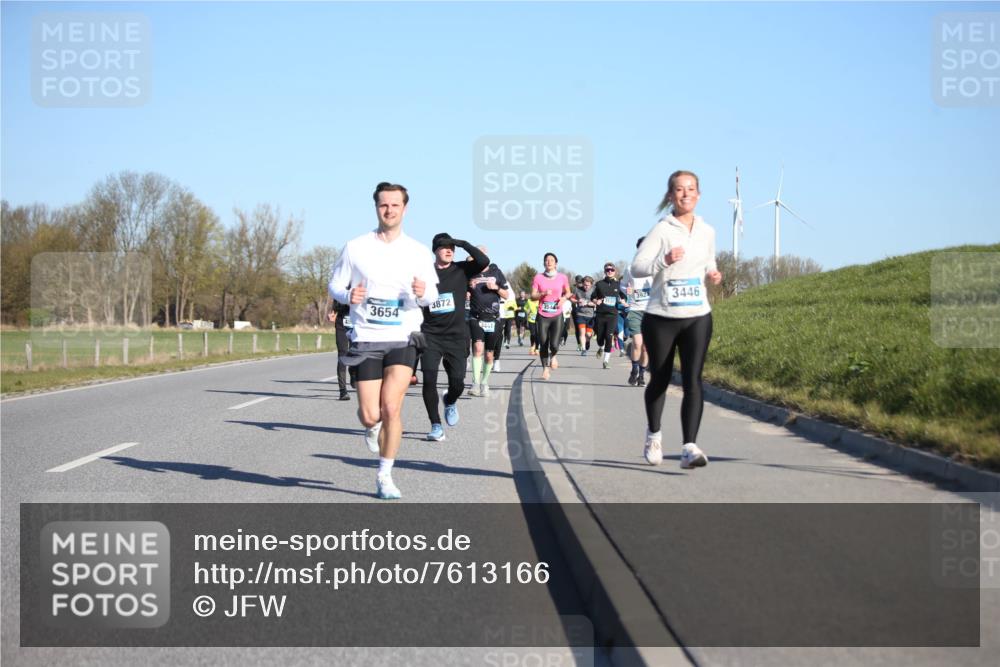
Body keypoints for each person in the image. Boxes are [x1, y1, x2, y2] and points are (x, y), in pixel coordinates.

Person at [328, 182, 440, 499]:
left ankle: (384, 476)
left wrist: (422, 293)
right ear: (376, 207)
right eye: (383, 205)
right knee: (370, 414)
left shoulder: (418, 251)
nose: (389, 210)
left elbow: (432, 293)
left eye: (395, 205)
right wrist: (349, 294)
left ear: (405, 208)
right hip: (366, 338)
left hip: (404, 337)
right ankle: (372, 427)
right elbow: (334, 286)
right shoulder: (355, 247)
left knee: (391, 406)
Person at [631, 170, 722, 470]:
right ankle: (654, 434)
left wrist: (713, 272)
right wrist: (664, 260)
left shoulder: (707, 231)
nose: (686, 194)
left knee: (694, 379)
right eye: (679, 190)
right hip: (661, 316)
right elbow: (638, 267)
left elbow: (708, 259)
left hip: (697, 314)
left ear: (698, 195)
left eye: (691, 189)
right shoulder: (662, 230)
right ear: (670, 196)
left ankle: (689, 447)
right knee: (660, 378)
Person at [420, 233, 489, 442]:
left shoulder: (461, 269)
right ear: (435, 250)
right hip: (430, 335)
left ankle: (449, 401)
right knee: (429, 380)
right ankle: (435, 425)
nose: (449, 250)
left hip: (457, 336)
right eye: (444, 247)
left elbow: (484, 261)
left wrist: (462, 243)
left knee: (457, 383)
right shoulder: (424, 272)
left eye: (452, 247)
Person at [467, 247, 510, 397]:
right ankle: (475, 383)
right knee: (478, 348)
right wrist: (468, 290)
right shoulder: (470, 272)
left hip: (493, 318)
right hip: (475, 317)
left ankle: (484, 382)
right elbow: (462, 292)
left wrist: (496, 288)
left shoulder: (496, 272)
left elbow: (506, 295)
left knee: (489, 354)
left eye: (482, 254)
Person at [530, 253, 571, 380]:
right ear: (543, 263)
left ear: (556, 263)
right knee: (543, 342)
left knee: (554, 344)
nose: (549, 262)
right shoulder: (538, 277)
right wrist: (542, 293)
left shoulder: (562, 277)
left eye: (551, 260)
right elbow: (532, 296)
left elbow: (569, 292)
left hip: (557, 314)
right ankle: (545, 369)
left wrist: (564, 298)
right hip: (542, 314)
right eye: (546, 260)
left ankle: (553, 356)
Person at [623, 236, 653, 386]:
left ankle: (641, 374)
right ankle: (634, 369)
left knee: (646, 348)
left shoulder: (656, 268)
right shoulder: (630, 268)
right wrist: (627, 290)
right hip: (635, 309)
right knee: (637, 343)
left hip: (651, 311)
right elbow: (623, 285)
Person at [591, 262, 625, 369]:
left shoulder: (618, 285)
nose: (610, 271)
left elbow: (624, 296)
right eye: (607, 270)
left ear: (615, 271)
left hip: (612, 315)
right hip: (601, 315)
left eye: (612, 270)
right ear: (605, 271)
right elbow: (593, 297)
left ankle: (606, 361)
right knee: (600, 338)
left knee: (609, 337)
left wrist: (624, 300)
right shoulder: (599, 284)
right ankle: (600, 347)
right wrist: (596, 301)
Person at [328, 298, 354, 400]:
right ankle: (343, 391)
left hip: (357, 324)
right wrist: (333, 313)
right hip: (341, 323)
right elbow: (336, 303)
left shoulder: (361, 285)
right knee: (342, 356)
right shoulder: (340, 285)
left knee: (355, 353)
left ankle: (353, 373)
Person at [571, 276, 596, 356]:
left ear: (591, 285)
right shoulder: (577, 290)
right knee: (582, 333)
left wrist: (591, 303)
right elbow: (572, 299)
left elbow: (598, 301)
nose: (586, 287)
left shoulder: (594, 291)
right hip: (580, 314)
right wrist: (578, 301)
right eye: (584, 285)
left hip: (591, 315)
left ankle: (587, 342)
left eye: (588, 285)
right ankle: (583, 349)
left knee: (588, 335)